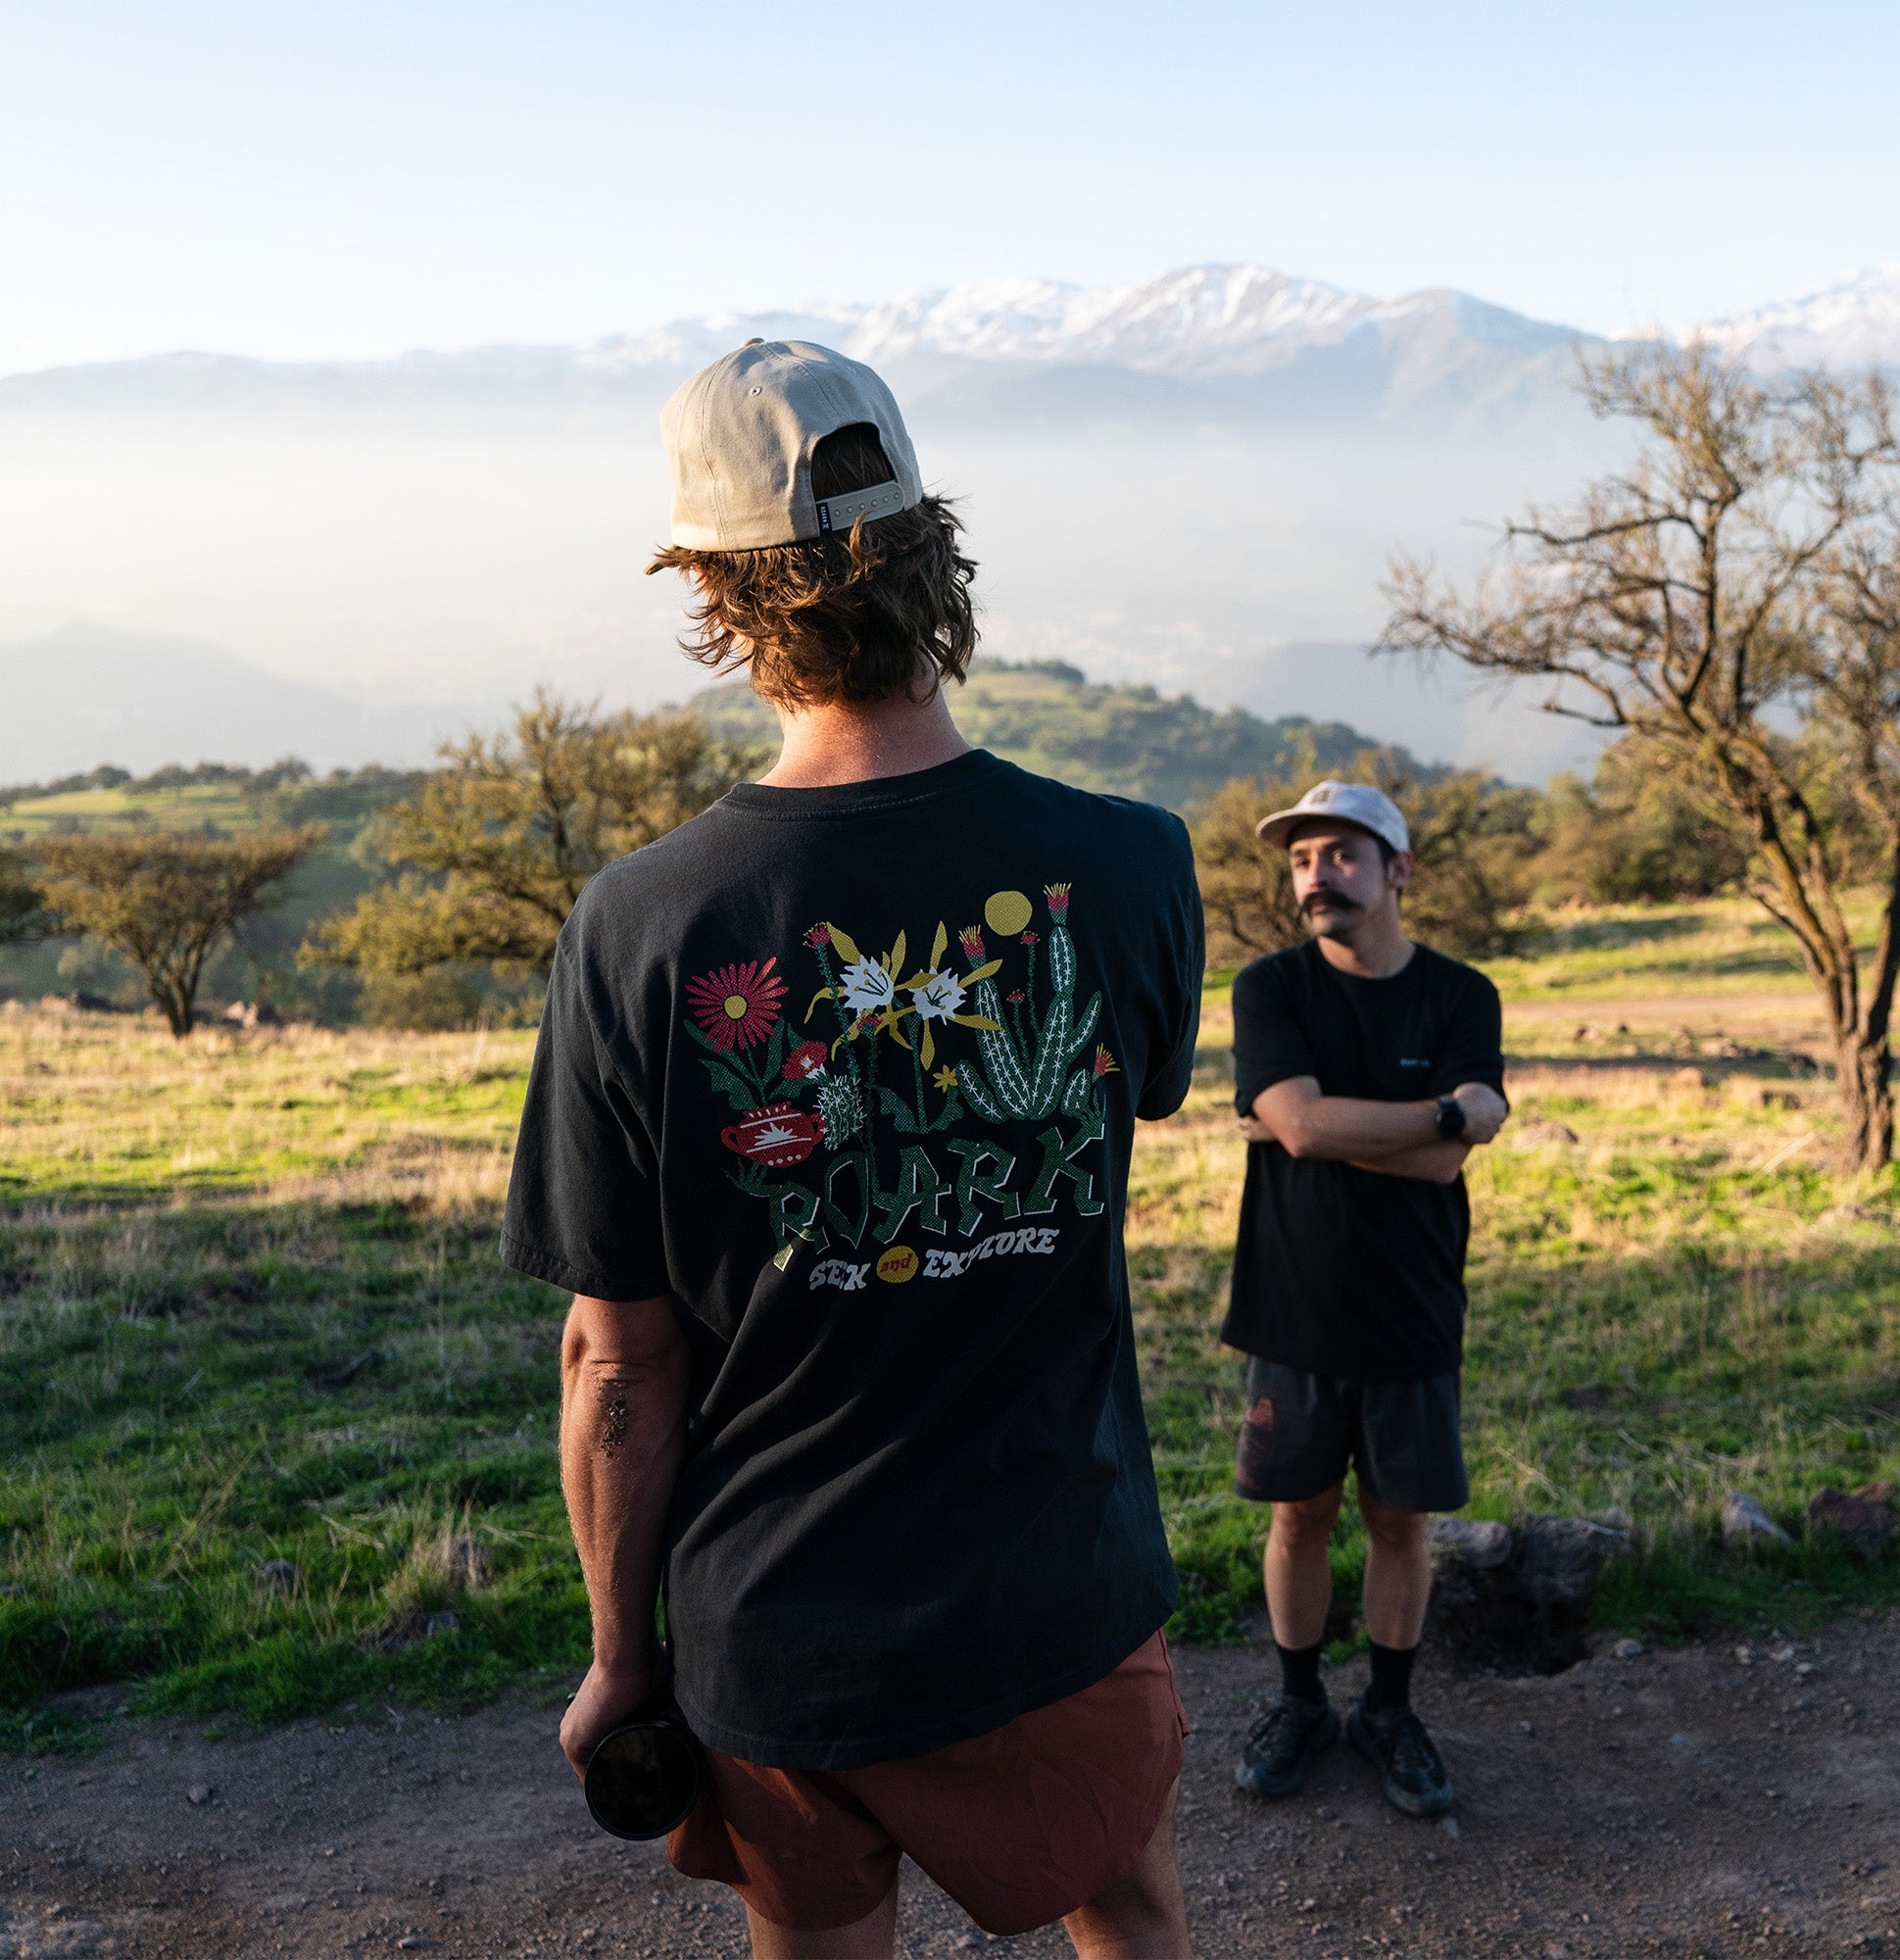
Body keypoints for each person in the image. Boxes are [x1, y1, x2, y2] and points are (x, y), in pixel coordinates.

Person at [501, 339, 1206, 1958]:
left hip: (781, 1629)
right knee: (1138, 1916)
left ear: (718, 591)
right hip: (1061, 1582)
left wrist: (622, 1651)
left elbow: (618, 1369)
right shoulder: (1132, 865)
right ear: (930, 550)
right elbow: (1128, 1101)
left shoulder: (636, 929)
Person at [1222, 779, 1507, 1818]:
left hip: (1412, 1308)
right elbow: (1305, 1128)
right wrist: (1440, 1114)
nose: (1314, 877)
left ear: (1397, 869)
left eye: (1339, 854)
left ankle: (1387, 1709)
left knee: (1399, 1521)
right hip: (1290, 1307)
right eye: (1299, 859)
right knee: (1297, 1514)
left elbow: (1431, 1166)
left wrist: (1328, 1122)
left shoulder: (1460, 995)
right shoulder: (1269, 988)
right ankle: (1299, 1702)